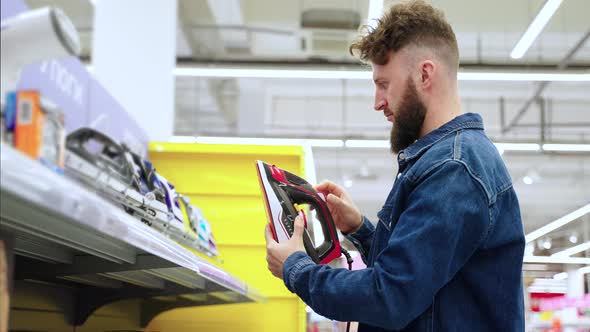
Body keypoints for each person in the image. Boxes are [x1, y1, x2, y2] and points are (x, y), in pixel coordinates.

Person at [264, 1, 525, 331]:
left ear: (424, 74)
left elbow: (388, 297)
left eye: (383, 83)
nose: (377, 102)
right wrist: (359, 228)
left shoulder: (453, 170)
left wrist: (295, 267)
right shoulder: (448, 162)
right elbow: (421, 274)